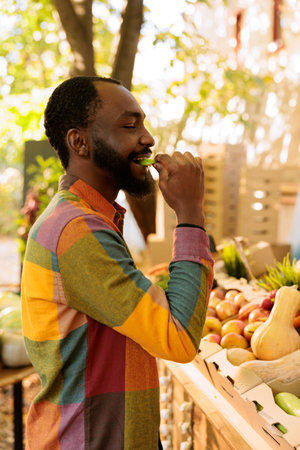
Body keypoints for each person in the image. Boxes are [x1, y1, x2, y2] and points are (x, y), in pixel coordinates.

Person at [21, 76, 214, 450]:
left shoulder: (86, 218)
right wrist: (190, 213)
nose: (147, 138)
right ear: (79, 142)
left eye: (142, 123)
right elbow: (177, 339)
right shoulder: (78, 229)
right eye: (130, 126)